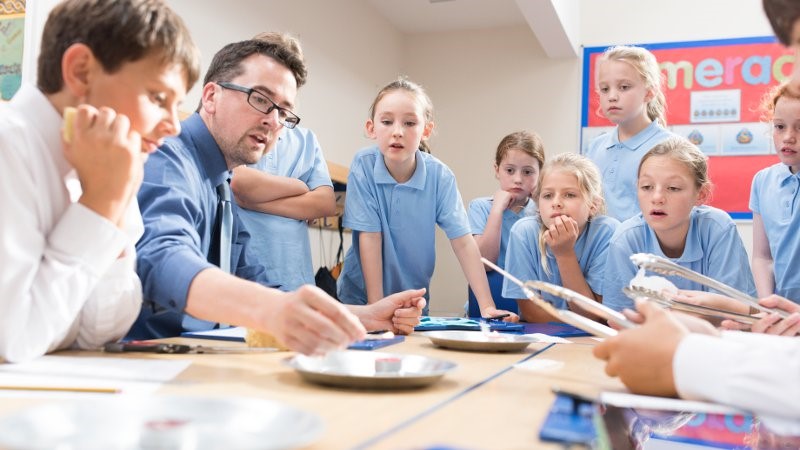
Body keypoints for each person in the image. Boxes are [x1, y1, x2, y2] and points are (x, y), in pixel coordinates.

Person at [131, 38, 425, 355]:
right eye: (260, 99)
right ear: (212, 96)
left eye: (284, 112)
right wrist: (268, 309)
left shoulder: (221, 183)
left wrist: (367, 315)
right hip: (145, 363)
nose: (273, 121)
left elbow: (261, 286)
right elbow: (162, 258)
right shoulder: (168, 154)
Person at [593, 0, 800, 416]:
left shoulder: (715, 225)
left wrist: (687, 353)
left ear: (698, 193)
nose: (791, 78)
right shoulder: (624, 231)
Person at [0, 0, 200, 363]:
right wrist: (103, 203)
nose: (175, 125)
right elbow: (11, 342)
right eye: (158, 98)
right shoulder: (8, 143)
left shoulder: (107, 169)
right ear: (81, 72)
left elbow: (99, 330)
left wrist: (113, 201)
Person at [337, 77, 518, 321]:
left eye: (410, 123)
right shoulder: (363, 165)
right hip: (361, 300)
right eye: (387, 122)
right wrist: (375, 308)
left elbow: (464, 243)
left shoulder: (440, 176)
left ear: (426, 130)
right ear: (371, 128)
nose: (397, 132)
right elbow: (370, 237)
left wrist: (486, 306)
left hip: (412, 301)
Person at [230, 33, 336, 291]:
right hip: (243, 276)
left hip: (295, 276)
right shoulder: (245, 129)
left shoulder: (306, 139)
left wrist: (254, 200)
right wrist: (299, 189)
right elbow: (240, 184)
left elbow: (324, 203)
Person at [602, 136, 755, 312]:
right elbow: (619, 317)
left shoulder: (718, 229)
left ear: (701, 194)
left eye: (673, 188)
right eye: (646, 187)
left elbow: (737, 313)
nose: (657, 198)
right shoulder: (625, 239)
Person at [503, 153, 619, 322]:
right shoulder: (523, 232)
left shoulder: (607, 232)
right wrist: (578, 319)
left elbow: (594, 316)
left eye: (569, 195)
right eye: (548, 195)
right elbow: (531, 313)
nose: (556, 203)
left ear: (593, 205)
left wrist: (564, 254)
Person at [585, 45, 674, 222]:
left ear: (649, 92)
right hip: (597, 249)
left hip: (642, 249)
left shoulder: (670, 148)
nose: (612, 96)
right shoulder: (596, 147)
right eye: (604, 89)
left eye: (624, 87)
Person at [465, 131, 544, 315]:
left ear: (540, 174)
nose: (518, 179)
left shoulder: (543, 212)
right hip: (490, 305)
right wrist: (497, 211)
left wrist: (542, 203)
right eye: (510, 170)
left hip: (532, 309)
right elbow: (484, 263)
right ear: (496, 170)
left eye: (528, 172)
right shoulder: (481, 208)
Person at [750, 81, 800, 301]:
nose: (788, 137)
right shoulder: (763, 181)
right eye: (780, 126)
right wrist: (767, 303)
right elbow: (763, 257)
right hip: (781, 311)